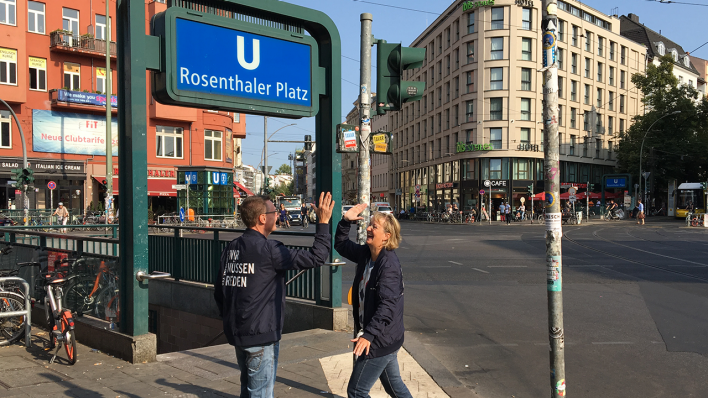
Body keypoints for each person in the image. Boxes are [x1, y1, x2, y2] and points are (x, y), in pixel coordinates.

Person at [214, 192, 335, 398]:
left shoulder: (231, 248)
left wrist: (233, 320)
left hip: (239, 333)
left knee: (249, 390)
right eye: (274, 211)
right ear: (262, 218)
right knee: (260, 393)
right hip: (260, 335)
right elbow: (318, 256)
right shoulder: (270, 249)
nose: (278, 214)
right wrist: (323, 223)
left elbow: (220, 292)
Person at [335, 203, 412, 398]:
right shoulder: (367, 255)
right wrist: (345, 222)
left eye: (374, 227)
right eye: (369, 225)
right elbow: (341, 245)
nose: (368, 228)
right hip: (386, 337)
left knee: (356, 391)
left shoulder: (389, 265)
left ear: (387, 236)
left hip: (379, 338)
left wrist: (368, 335)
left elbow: (388, 306)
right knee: (395, 387)